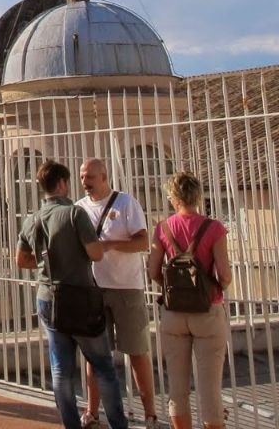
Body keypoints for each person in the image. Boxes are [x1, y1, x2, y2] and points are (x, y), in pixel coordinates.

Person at [17, 160, 128, 429]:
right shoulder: (74, 214)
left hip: (47, 295)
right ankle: (118, 424)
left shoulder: (32, 219)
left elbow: (21, 260)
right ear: (63, 183)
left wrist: (46, 262)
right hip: (79, 296)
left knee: (60, 370)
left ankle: (71, 424)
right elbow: (95, 254)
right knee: (103, 366)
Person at [77, 158, 159, 429]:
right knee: (95, 354)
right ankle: (92, 411)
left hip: (127, 288)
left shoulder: (126, 204)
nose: (85, 182)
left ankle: (150, 414)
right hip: (94, 289)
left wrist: (109, 244)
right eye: (82, 177)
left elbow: (143, 241)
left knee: (136, 351)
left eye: (90, 177)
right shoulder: (79, 209)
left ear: (104, 176)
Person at [147, 172, 232, 429]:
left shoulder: (162, 228)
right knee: (210, 388)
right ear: (197, 195)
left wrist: (174, 287)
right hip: (207, 310)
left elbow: (153, 271)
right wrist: (212, 286)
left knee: (177, 385)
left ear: (173, 198)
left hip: (174, 313)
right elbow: (225, 275)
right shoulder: (214, 228)